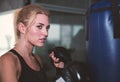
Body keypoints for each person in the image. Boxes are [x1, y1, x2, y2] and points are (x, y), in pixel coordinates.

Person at [0, 4, 63, 82]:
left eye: (47, 28)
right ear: (22, 28)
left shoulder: (37, 59)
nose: (46, 33)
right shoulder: (8, 60)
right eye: (39, 26)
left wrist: (60, 71)